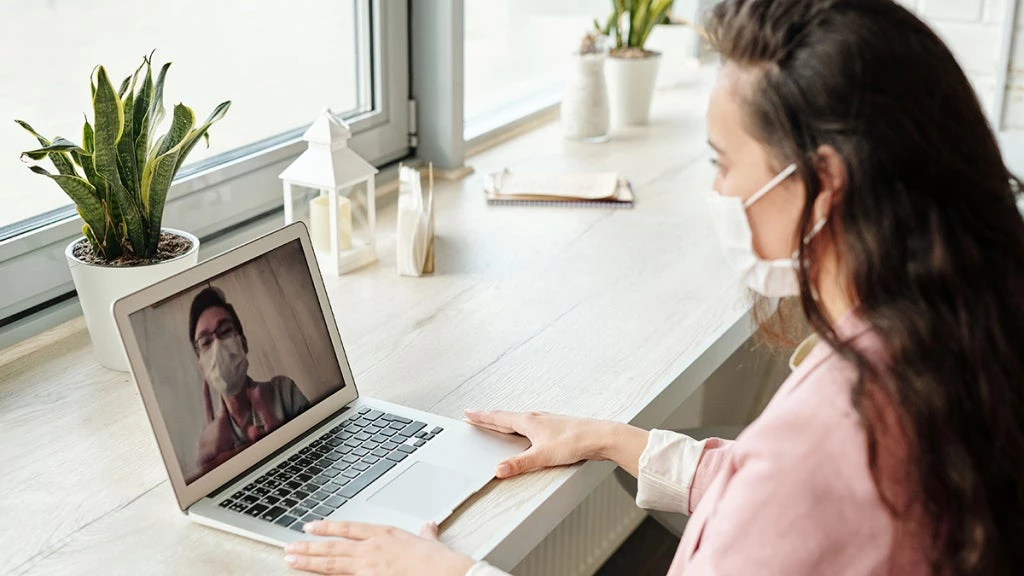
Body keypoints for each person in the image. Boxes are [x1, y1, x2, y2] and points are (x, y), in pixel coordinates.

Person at [281, 0, 1024, 574]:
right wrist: (616, 440)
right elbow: (796, 506)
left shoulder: (832, 435)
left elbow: (792, 489)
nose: (718, 190)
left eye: (722, 162)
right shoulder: (953, 329)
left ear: (823, 185)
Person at [189, 286, 310, 479]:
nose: (218, 346)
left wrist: (284, 441)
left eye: (226, 331)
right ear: (202, 366)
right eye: (205, 342)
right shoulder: (210, 442)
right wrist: (208, 472)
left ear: (243, 344)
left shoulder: (283, 391)